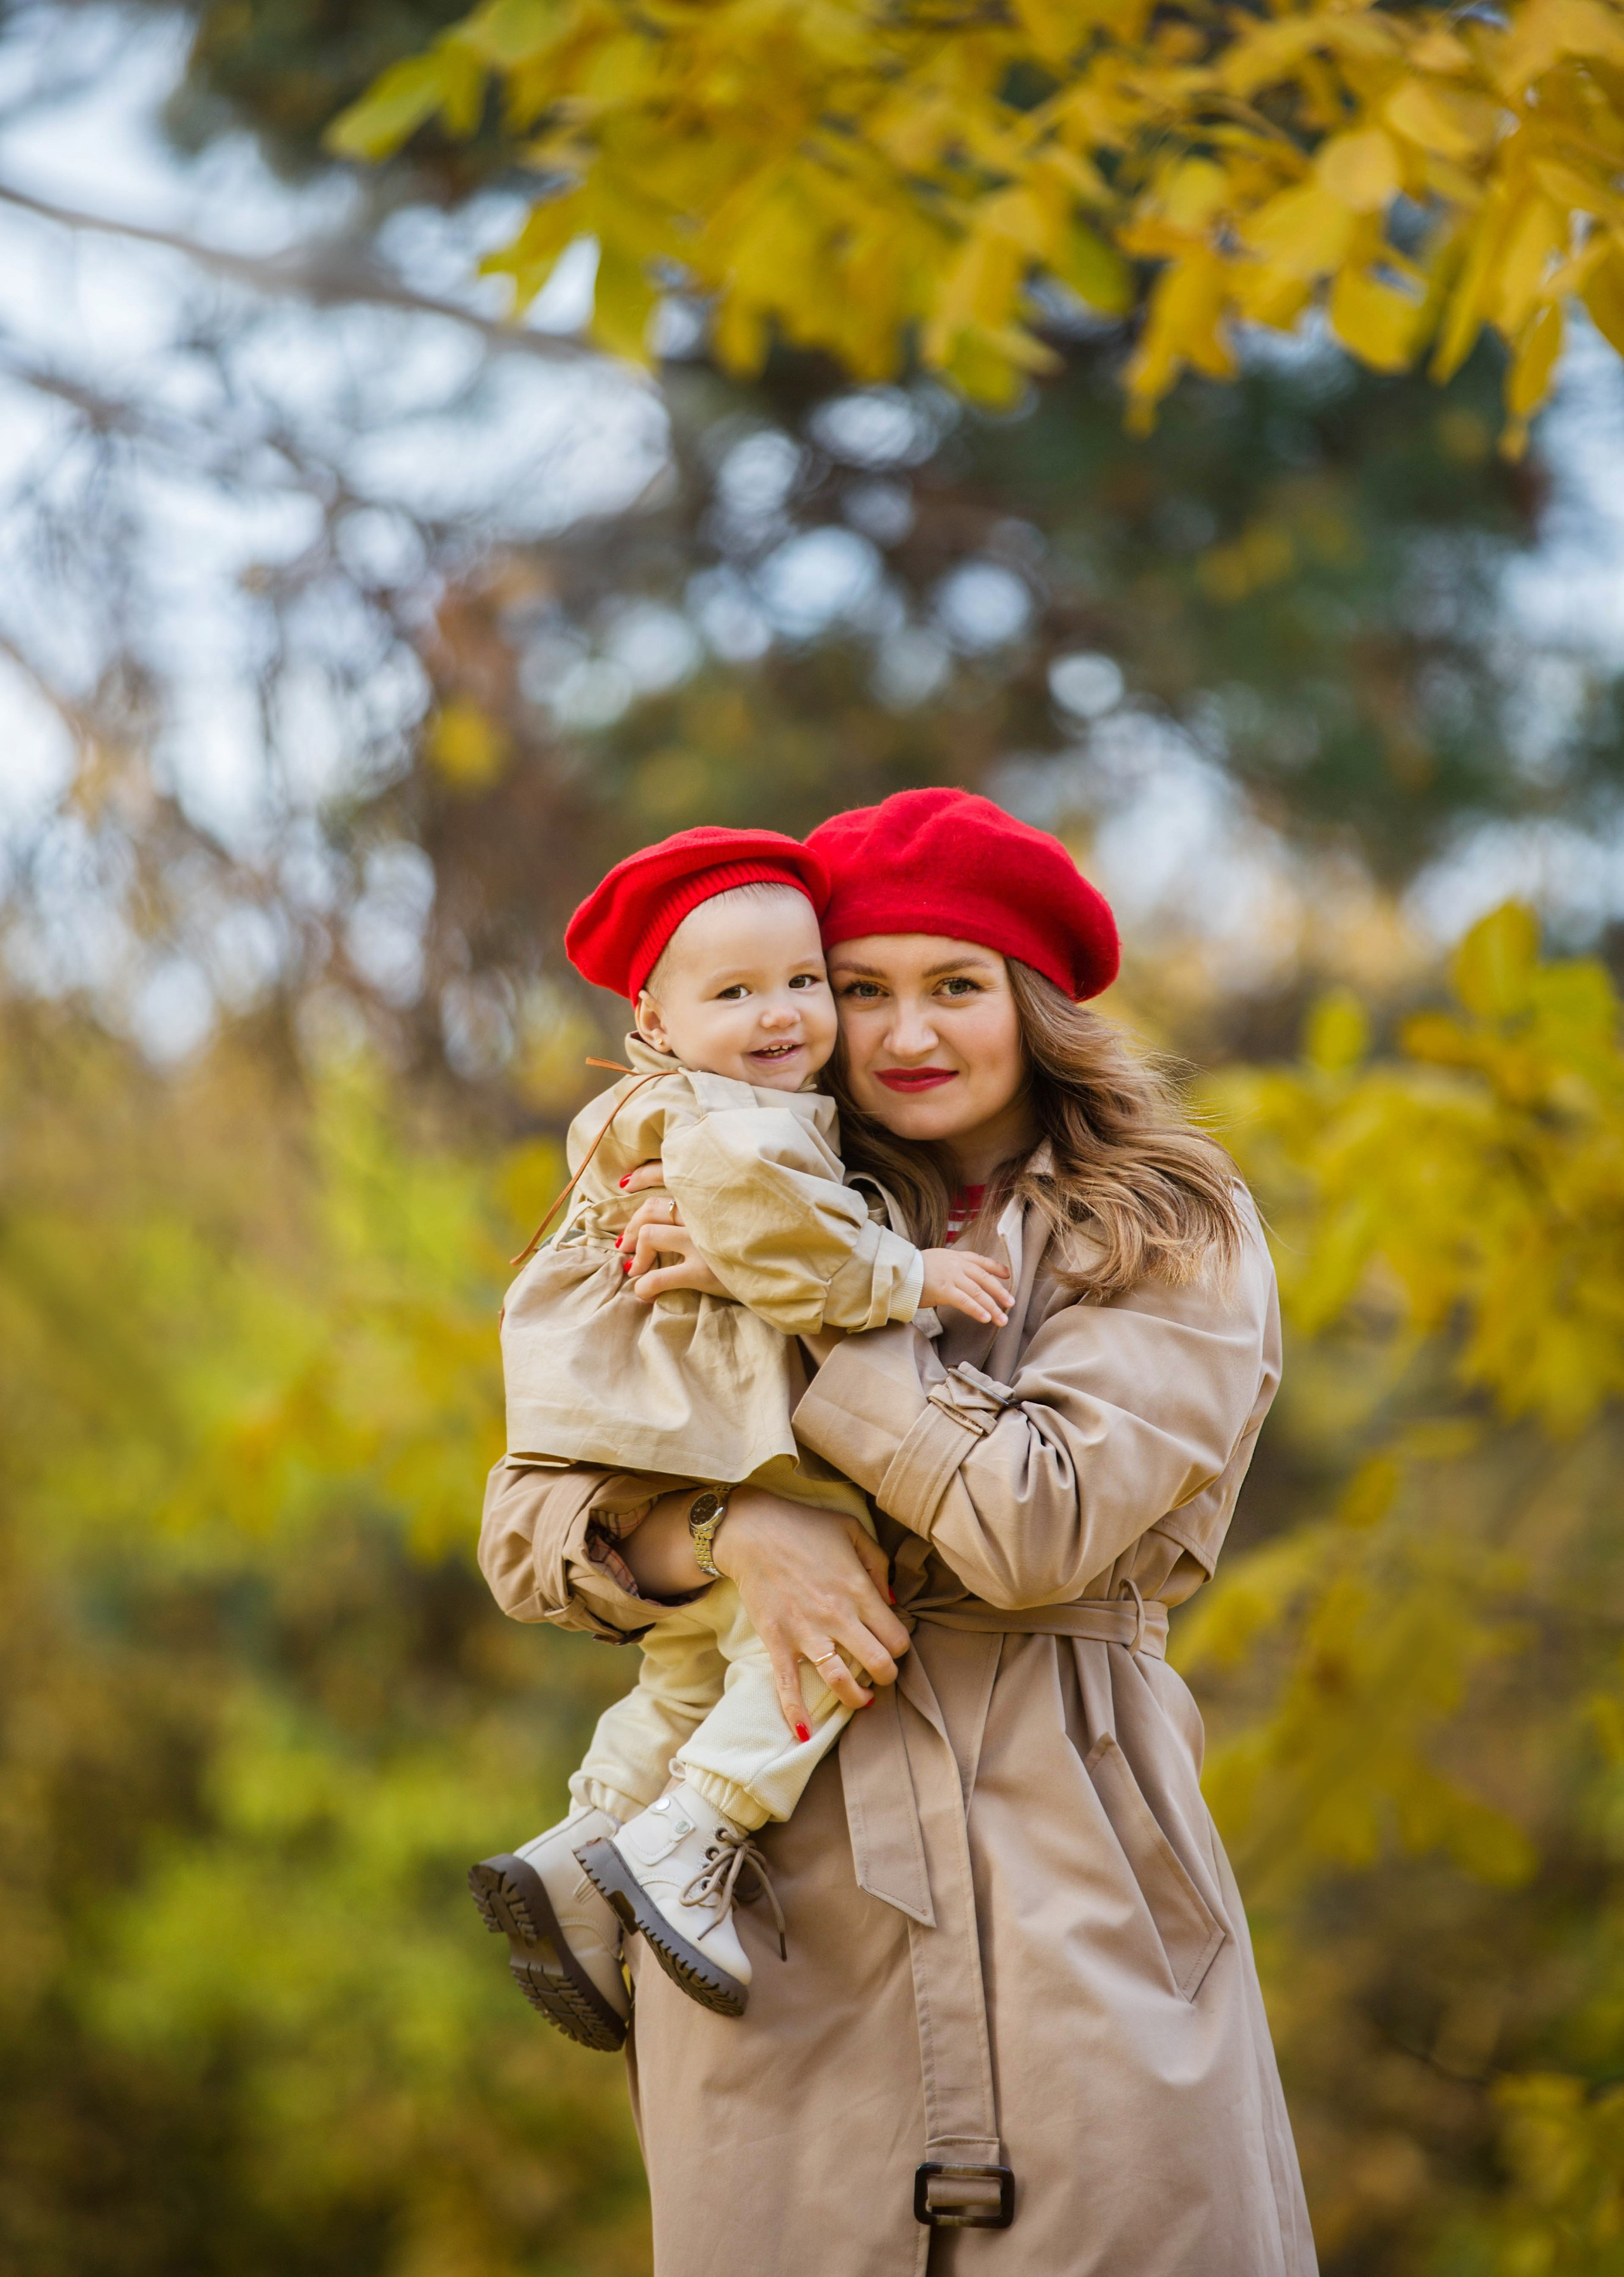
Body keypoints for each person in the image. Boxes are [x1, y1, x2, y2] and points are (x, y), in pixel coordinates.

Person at [480, 786, 1318, 2276]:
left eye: (956, 986)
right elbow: (531, 1516)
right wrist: (734, 1533)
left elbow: (1036, 1524)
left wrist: (814, 1305)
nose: (905, 1031)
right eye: (858, 988)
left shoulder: (1162, 1224)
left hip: (1076, 1898)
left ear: (1031, 1004)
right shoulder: (728, 1178)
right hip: (768, 1928)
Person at [471, 825, 1012, 2040]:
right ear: (655, 1024)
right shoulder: (737, 1128)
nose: (784, 1016)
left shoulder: (658, 1112)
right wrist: (909, 1275)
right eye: (736, 993)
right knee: (829, 1637)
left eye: (807, 982)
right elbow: (794, 1253)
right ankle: (691, 1833)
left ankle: (589, 1836)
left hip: (645, 1439)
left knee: (691, 1661)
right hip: (726, 1434)